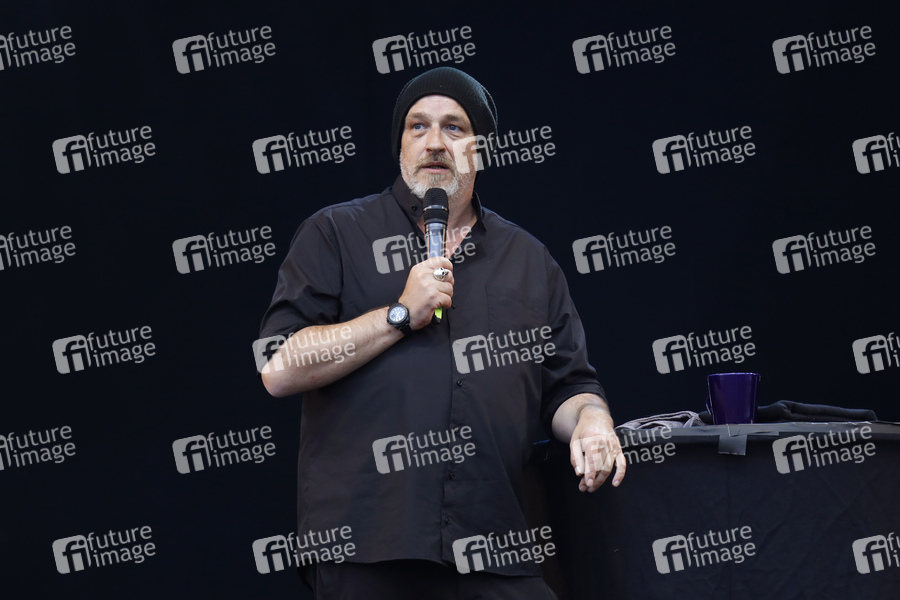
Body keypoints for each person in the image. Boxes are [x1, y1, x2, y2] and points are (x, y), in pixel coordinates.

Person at [258, 66, 625, 599]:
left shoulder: (529, 260)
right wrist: (398, 314)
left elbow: (570, 385)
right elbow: (279, 368)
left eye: (454, 127)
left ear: (480, 150)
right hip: (370, 540)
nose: (434, 142)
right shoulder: (336, 233)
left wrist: (593, 422)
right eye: (417, 126)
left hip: (495, 540)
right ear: (400, 145)